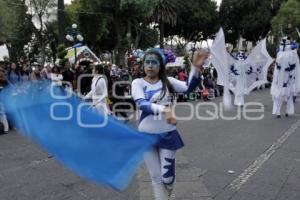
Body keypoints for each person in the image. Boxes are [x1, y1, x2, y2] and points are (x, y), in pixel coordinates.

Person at [131, 49, 207, 200]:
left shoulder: (169, 82)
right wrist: (165, 110)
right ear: (143, 65)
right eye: (147, 62)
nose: (150, 66)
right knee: (155, 177)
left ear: (161, 66)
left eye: (154, 62)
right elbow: (141, 104)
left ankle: (169, 191)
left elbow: (189, 89)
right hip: (146, 136)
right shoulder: (137, 83)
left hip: (167, 134)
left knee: (167, 179)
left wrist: (196, 68)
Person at [271, 36, 300, 118]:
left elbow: (293, 66)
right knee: (284, 95)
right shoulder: (285, 53)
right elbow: (278, 66)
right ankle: (281, 112)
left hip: (286, 77)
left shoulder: (289, 53)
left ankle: (283, 111)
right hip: (283, 77)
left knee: (285, 95)